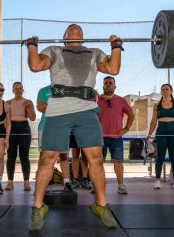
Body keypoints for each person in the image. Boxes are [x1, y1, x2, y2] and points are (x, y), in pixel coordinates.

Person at [26, 24, 122, 231]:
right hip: (58, 109)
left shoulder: (94, 52)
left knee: (95, 158)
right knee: (47, 158)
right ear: (64, 37)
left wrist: (116, 46)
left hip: (87, 109)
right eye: (71, 28)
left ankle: (101, 205)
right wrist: (32, 45)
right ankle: (37, 207)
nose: (75, 29)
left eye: (78, 28)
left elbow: (113, 69)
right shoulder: (54, 50)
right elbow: (35, 65)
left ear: (82, 36)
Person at [97, 76, 135, 194]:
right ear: (103, 86)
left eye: (110, 83)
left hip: (116, 138)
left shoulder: (121, 100)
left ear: (114, 86)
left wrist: (126, 128)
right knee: (97, 163)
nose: (108, 84)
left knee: (118, 162)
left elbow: (131, 114)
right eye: (106, 83)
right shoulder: (96, 100)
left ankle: (121, 185)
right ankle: (97, 185)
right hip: (99, 138)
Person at [146, 84, 174, 190]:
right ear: (161, 92)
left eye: (167, 89)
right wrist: (149, 134)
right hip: (161, 132)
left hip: (173, 132)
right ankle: (157, 181)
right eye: (163, 89)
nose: (165, 91)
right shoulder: (157, 105)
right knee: (160, 158)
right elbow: (153, 121)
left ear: (171, 91)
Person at [37, 85, 71, 190]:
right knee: (43, 157)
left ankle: (67, 183)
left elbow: (69, 108)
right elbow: (40, 107)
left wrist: (50, 106)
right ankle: (41, 184)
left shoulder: (67, 90)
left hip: (63, 127)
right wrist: (60, 106)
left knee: (63, 156)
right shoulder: (43, 90)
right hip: (45, 126)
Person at [5, 82, 36, 191]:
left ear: (23, 90)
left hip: (24, 128)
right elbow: (5, 120)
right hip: (12, 128)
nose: (18, 90)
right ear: (12, 90)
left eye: (20, 88)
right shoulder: (8, 103)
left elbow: (32, 118)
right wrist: (6, 135)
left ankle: (26, 183)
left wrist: (28, 108)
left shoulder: (28, 102)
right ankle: (10, 182)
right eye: (16, 89)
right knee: (11, 156)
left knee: (24, 156)